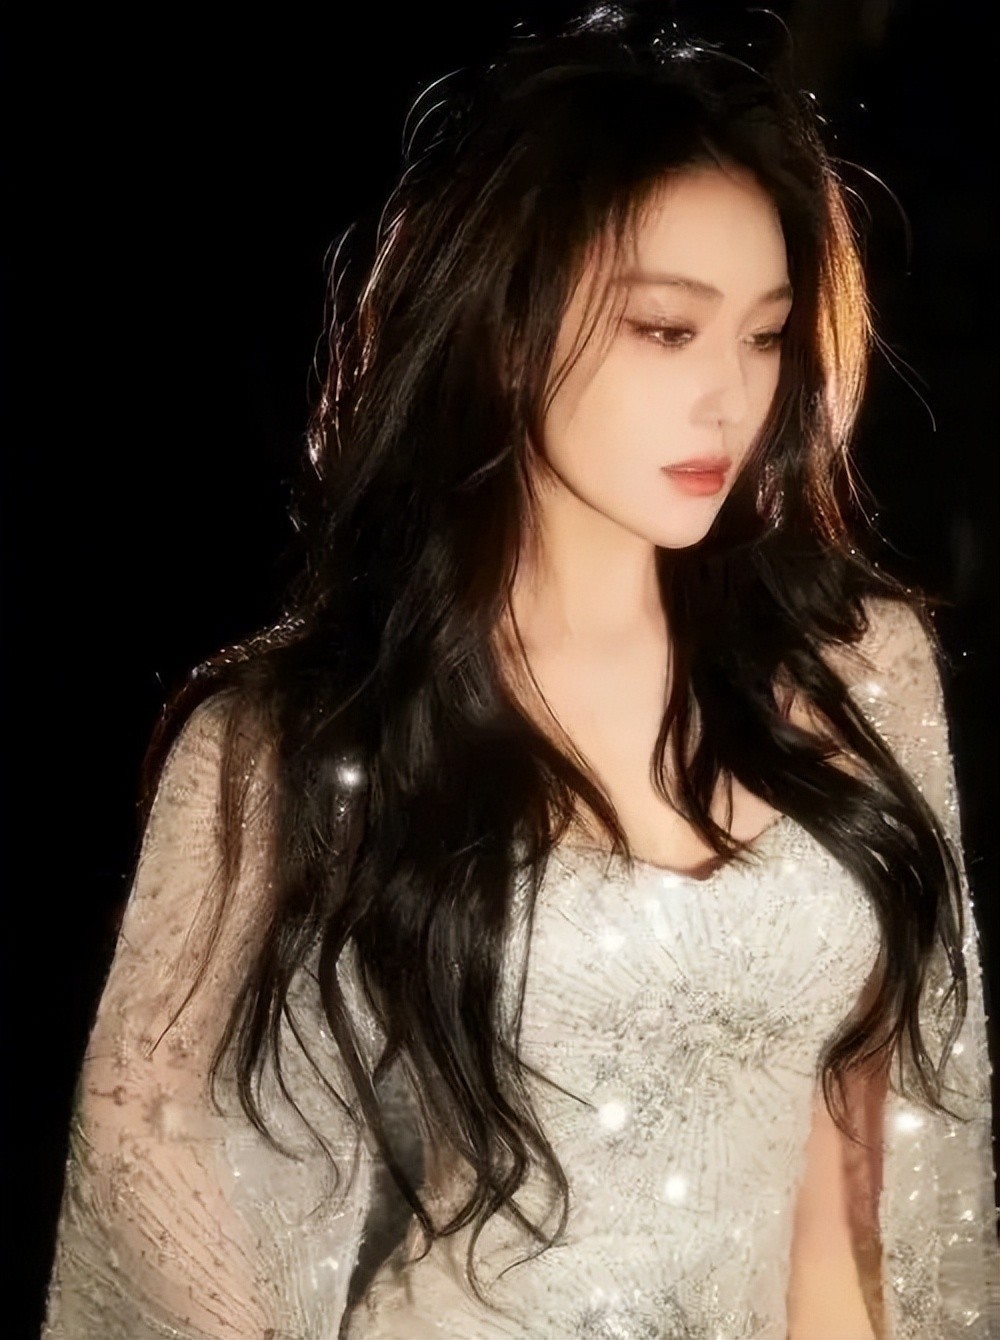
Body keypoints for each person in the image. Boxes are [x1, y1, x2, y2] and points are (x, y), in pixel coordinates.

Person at [41, 7, 997, 1338]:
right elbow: (144, 1139)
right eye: (666, 329)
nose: (731, 397)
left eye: (767, 335)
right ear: (503, 329)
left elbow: (853, 1186)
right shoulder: (302, 738)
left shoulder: (854, 672)